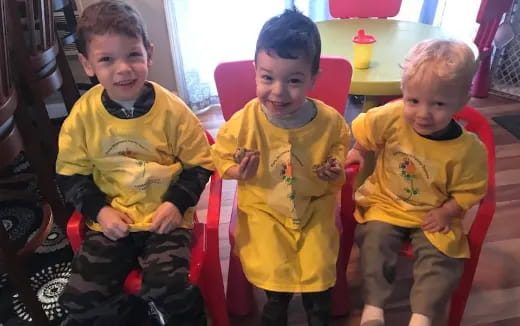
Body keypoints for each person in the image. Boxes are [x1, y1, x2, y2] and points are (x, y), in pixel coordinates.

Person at [55, 1, 212, 325]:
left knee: (169, 289)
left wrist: (175, 203)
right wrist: (99, 210)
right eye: (107, 60)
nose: (123, 69)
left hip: (164, 221)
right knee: (79, 299)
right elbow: (71, 176)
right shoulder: (83, 116)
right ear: (87, 64)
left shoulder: (172, 110)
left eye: (133, 55)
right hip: (112, 224)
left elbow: (200, 164)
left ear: (149, 54)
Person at [212, 9, 351, 326]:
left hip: (314, 204)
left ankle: (319, 309)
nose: (278, 91)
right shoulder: (246, 121)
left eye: (294, 80)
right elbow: (220, 154)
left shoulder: (328, 121)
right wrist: (237, 172)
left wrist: (335, 166)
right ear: (255, 72)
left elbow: (340, 144)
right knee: (274, 268)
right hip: (264, 208)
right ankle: (276, 304)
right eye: (268, 77)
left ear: (313, 79)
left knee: (319, 262)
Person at [346, 39, 488, 326]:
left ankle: (421, 316)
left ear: (462, 101)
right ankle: (373, 309)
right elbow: (365, 129)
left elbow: (471, 189)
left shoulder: (468, 150)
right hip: (386, 202)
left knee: (441, 260)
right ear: (403, 93)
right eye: (413, 101)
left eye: (437, 104)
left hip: (433, 214)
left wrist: (447, 211)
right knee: (373, 241)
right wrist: (359, 150)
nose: (423, 113)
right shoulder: (392, 116)